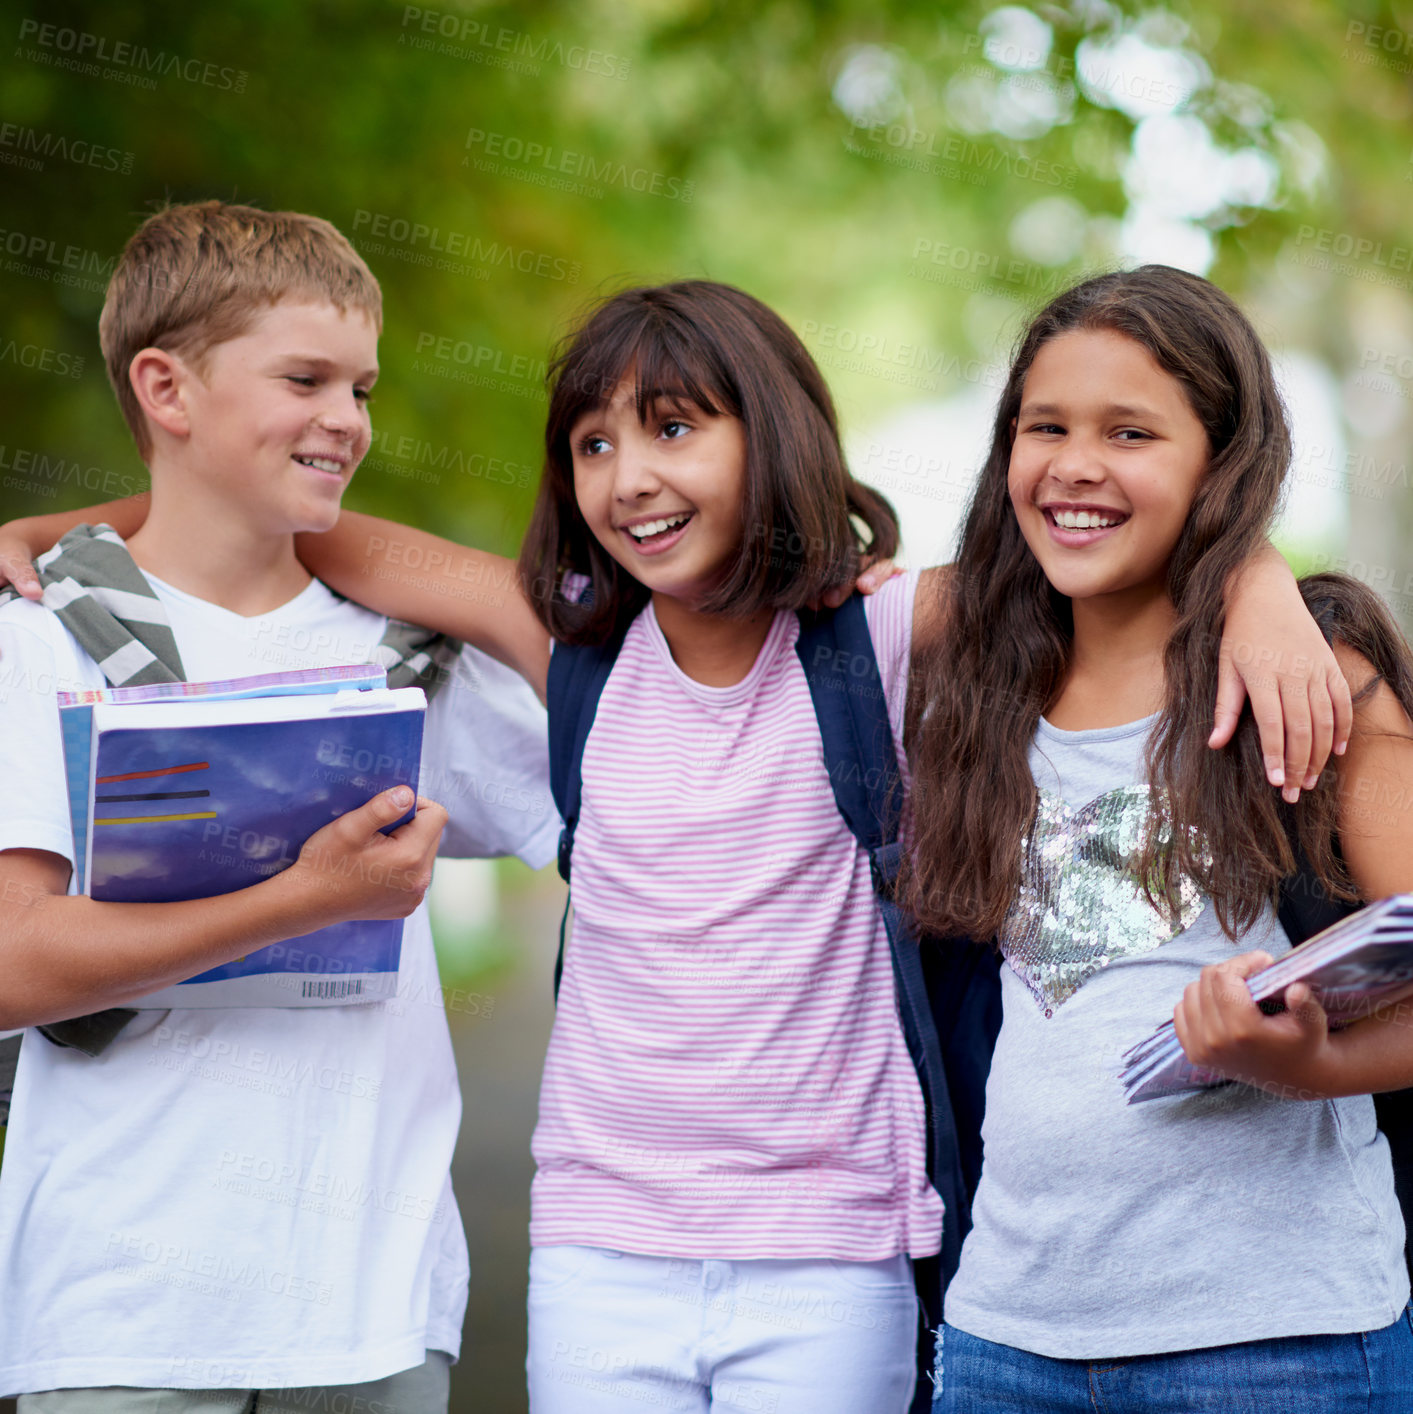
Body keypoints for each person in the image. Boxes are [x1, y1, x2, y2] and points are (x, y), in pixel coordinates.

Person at [3, 280, 1349, 1412]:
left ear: (769, 436)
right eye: (593, 444)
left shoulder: (869, 642)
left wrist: (1260, 581)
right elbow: (309, 527)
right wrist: (82, 542)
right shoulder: (570, 647)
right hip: (603, 1248)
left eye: (673, 427)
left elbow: (1103, 554)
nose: (630, 476)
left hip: (830, 1250)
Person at [0, 201, 557, 1409]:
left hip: (374, 1309)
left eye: (362, 388)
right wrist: (306, 897)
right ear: (166, 388)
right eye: (305, 378)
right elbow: (11, 960)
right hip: (121, 1314)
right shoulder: (37, 639)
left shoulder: (413, 656)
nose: (347, 422)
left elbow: (631, 783)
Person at [904, 265, 1413, 1412]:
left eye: (1130, 431)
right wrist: (1254, 570)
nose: (1076, 463)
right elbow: (792, 599)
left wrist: (1307, 1061)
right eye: (1047, 426)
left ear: (1222, 464)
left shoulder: (1315, 683)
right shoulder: (977, 657)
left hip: (1282, 1343)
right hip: (1005, 1338)